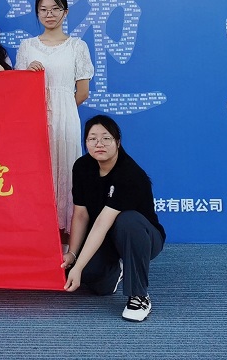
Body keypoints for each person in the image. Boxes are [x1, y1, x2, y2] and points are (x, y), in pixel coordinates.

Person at [61, 115, 165, 322]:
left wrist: (78, 267)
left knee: (128, 220)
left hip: (142, 237)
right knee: (90, 277)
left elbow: (103, 222)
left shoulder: (129, 173)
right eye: (92, 138)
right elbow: (81, 214)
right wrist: (72, 255)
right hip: (105, 238)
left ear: (117, 142)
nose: (99, 143)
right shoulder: (82, 167)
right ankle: (116, 271)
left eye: (106, 138)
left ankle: (139, 295)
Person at [15, 0, 94, 242]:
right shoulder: (27, 46)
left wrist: (63, 110)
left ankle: (67, 236)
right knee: (37, 170)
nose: (49, 14)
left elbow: (83, 91)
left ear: (65, 12)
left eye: (55, 9)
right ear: (37, 13)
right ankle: (38, 231)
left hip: (66, 119)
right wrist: (27, 73)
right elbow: (17, 89)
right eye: (43, 10)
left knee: (67, 170)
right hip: (33, 120)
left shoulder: (77, 46)